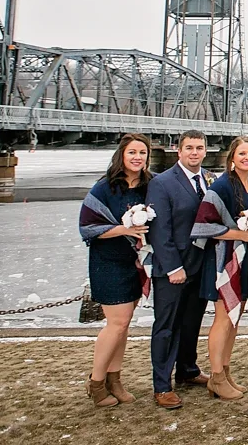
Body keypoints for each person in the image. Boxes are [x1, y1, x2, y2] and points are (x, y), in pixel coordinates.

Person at [77, 133, 153, 407]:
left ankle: (115, 380)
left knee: (123, 326)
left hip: (135, 262)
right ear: (121, 155)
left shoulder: (148, 186)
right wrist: (124, 230)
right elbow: (87, 227)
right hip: (108, 261)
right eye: (132, 152)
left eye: (142, 153)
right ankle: (96, 382)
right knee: (117, 323)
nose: (137, 158)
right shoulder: (104, 188)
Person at [190, 136, 248, 400]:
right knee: (223, 319)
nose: (247, 158)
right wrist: (237, 234)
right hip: (223, 261)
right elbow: (202, 226)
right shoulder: (221, 186)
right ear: (232, 157)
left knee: (235, 318)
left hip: (246, 260)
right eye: (242, 153)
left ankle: (226, 370)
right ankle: (216, 376)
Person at [145, 130, 213, 409]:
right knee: (166, 326)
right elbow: (159, 231)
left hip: (200, 265)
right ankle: (162, 385)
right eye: (189, 148)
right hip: (173, 268)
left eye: (199, 148)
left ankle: (187, 369)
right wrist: (173, 267)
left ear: (206, 151)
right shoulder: (162, 183)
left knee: (191, 322)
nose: (194, 152)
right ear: (178, 150)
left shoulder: (209, 179)